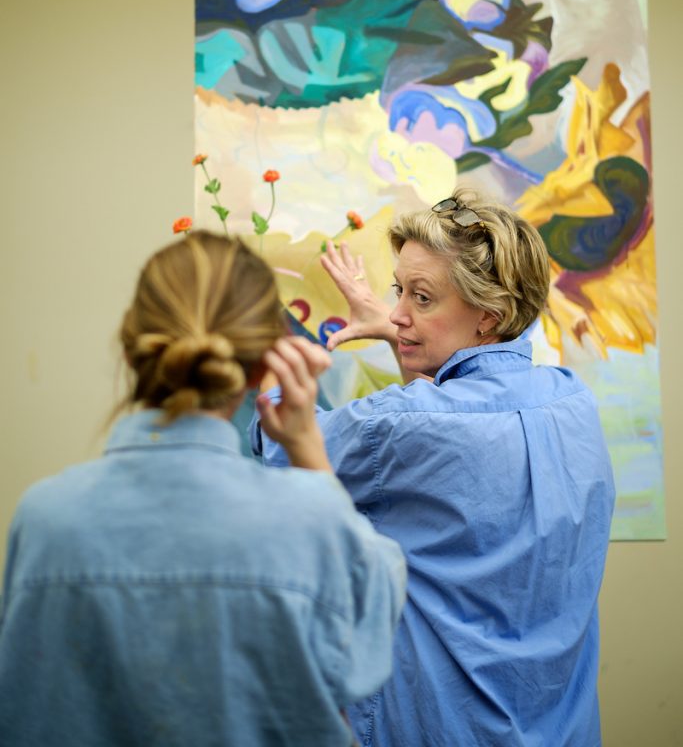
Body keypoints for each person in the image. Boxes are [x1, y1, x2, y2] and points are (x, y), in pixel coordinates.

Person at [0, 231, 406, 747]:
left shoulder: (45, 519)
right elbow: (376, 616)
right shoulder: (310, 519)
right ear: (264, 365)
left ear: (131, 349)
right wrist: (309, 453)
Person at [252, 191, 616, 747]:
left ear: (487, 317)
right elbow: (444, 431)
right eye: (399, 290)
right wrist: (408, 332)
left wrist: (257, 346)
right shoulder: (574, 404)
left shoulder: (400, 424)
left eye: (422, 298)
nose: (397, 313)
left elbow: (277, 437)